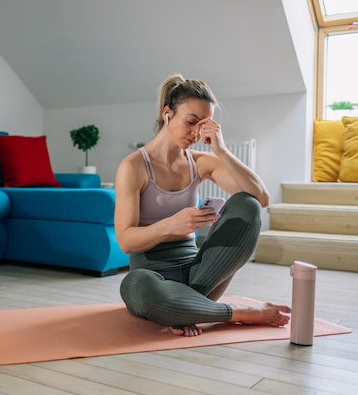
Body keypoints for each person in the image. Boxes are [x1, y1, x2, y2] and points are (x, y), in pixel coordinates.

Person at [115, 74, 291, 337]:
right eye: (190, 122)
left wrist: (221, 150)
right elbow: (126, 241)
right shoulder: (134, 167)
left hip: (201, 274)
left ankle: (186, 307)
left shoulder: (200, 162)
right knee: (135, 286)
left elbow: (262, 198)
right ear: (167, 114)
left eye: (204, 125)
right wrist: (170, 226)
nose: (196, 133)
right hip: (152, 277)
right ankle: (237, 312)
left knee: (248, 204)